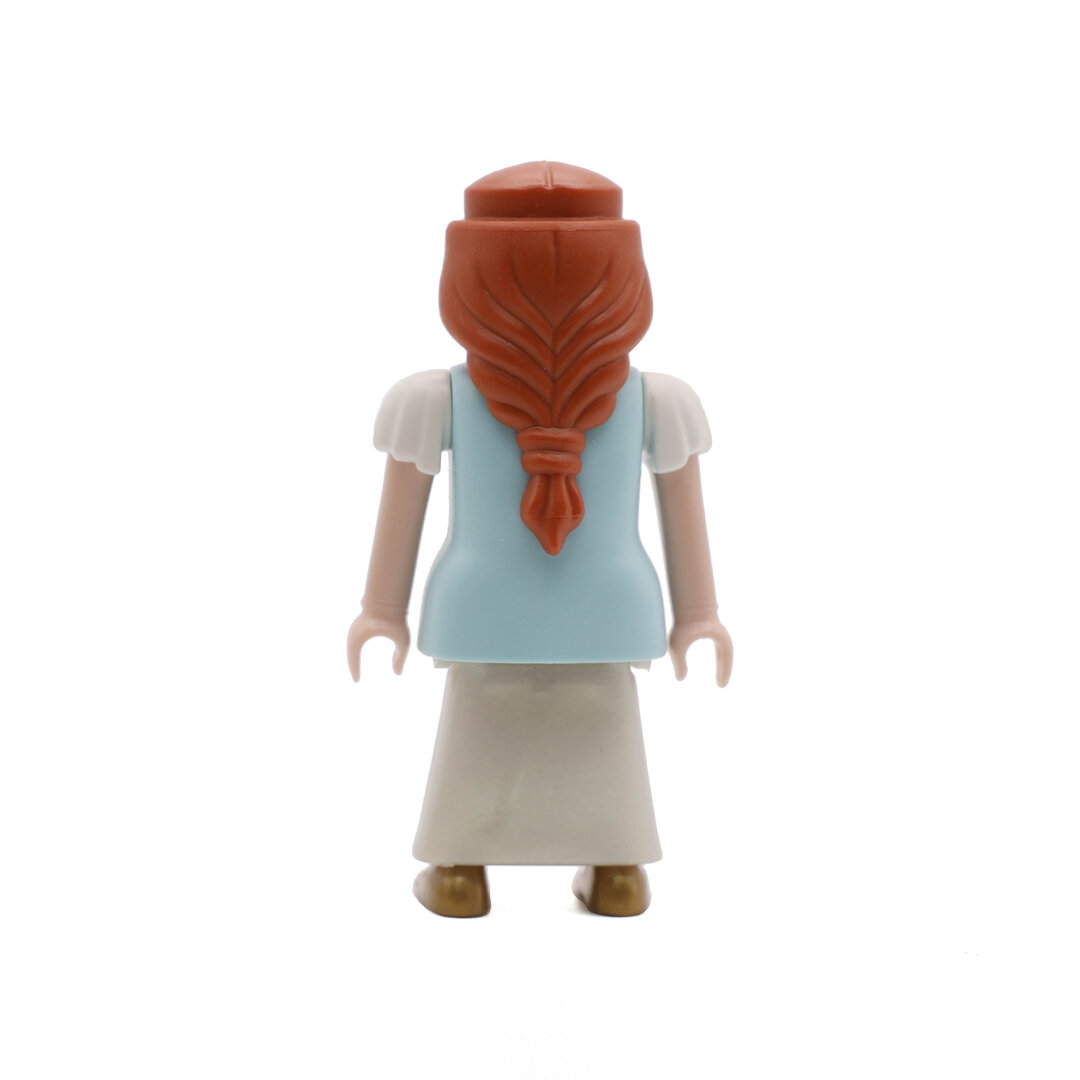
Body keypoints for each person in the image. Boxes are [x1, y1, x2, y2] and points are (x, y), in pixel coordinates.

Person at [347, 162, 732, 917]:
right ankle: (617, 872)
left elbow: (401, 509)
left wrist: (381, 611)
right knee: (598, 716)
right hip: (608, 606)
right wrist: (698, 616)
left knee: (486, 722)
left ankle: (461, 873)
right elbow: (685, 509)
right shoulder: (657, 400)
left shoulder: (436, 399)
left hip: (483, 607)